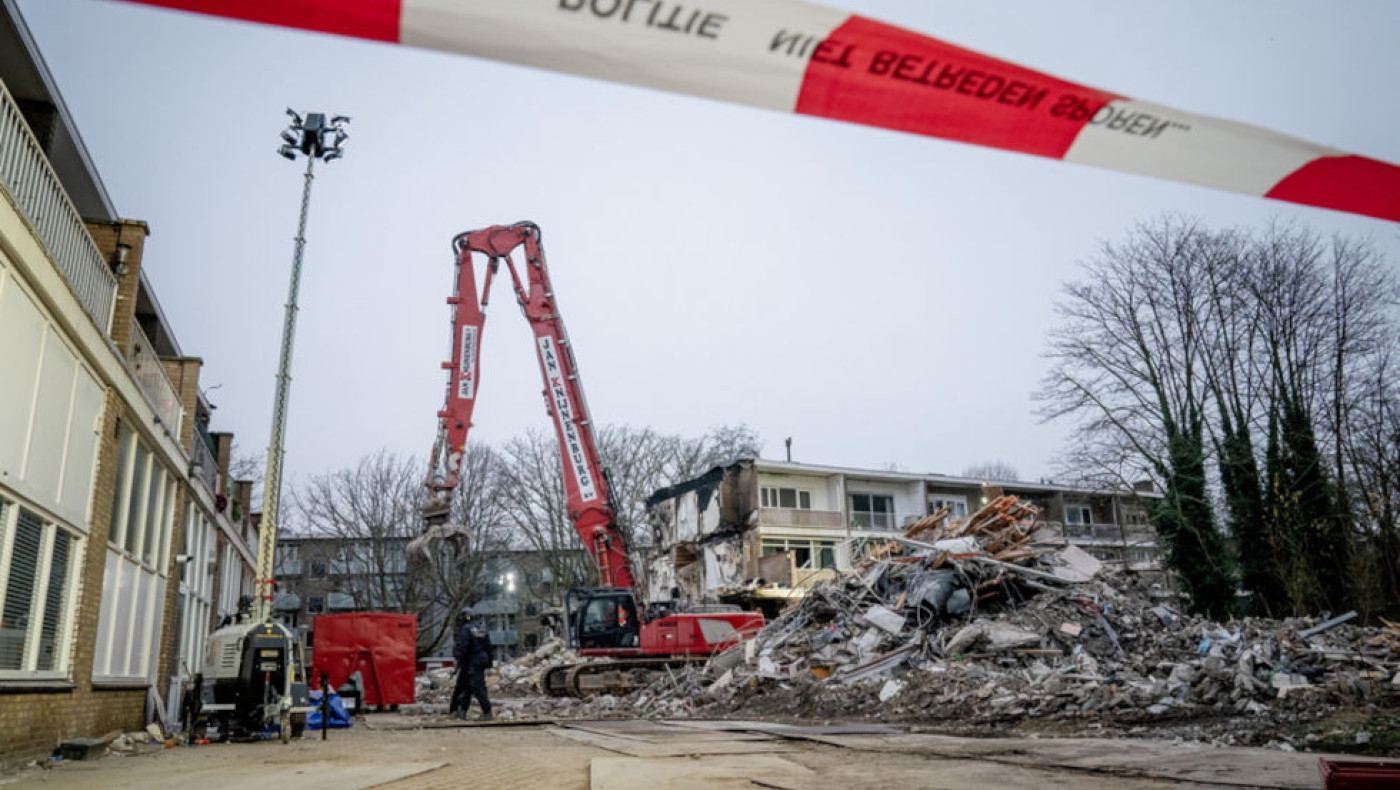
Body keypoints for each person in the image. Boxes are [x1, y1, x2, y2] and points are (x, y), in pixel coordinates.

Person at [449, 606, 493, 720]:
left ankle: (487, 712)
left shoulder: (466, 629)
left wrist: (458, 659)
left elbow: (463, 647)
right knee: (464, 685)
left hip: (472, 661)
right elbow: (489, 646)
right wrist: (490, 662)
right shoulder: (482, 628)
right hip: (480, 660)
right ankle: (460, 711)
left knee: (477, 686)